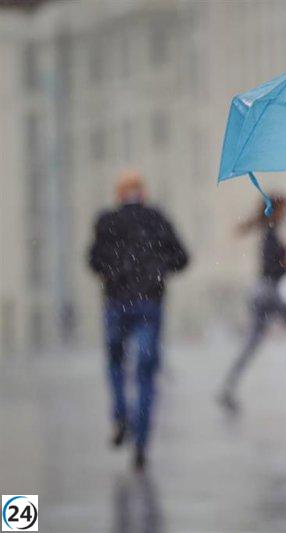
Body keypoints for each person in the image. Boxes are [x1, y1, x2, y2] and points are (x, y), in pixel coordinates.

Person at [88, 170, 189, 470]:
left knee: (116, 364)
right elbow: (182, 258)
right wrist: (157, 269)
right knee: (145, 374)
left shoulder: (107, 221)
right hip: (148, 303)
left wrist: (115, 272)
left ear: (119, 195)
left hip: (116, 303)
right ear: (142, 193)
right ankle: (142, 442)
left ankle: (121, 415)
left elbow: (93, 261)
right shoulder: (156, 218)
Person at [218, 196, 286, 411]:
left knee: (253, 343)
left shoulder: (269, 230)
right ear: (276, 210)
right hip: (267, 292)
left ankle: (228, 386)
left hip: (262, 292)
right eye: (285, 209)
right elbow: (272, 266)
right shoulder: (270, 233)